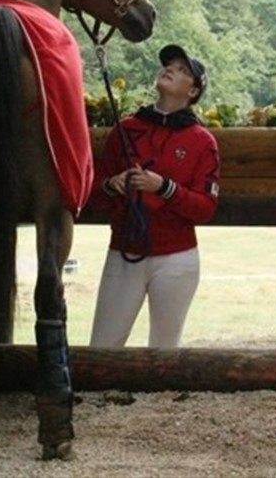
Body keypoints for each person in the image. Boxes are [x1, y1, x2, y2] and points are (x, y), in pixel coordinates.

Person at [88, 44, 220, 348]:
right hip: (124, 253)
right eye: (169, 65)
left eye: (182, 70)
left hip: (177, 259)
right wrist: (113, 184)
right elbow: (93, 190)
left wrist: (164, 187)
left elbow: (205, 208)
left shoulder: (202, 142)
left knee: (164, 352)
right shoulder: (126, 129)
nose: (170, 69)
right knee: (102, 348)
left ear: (193, 91)